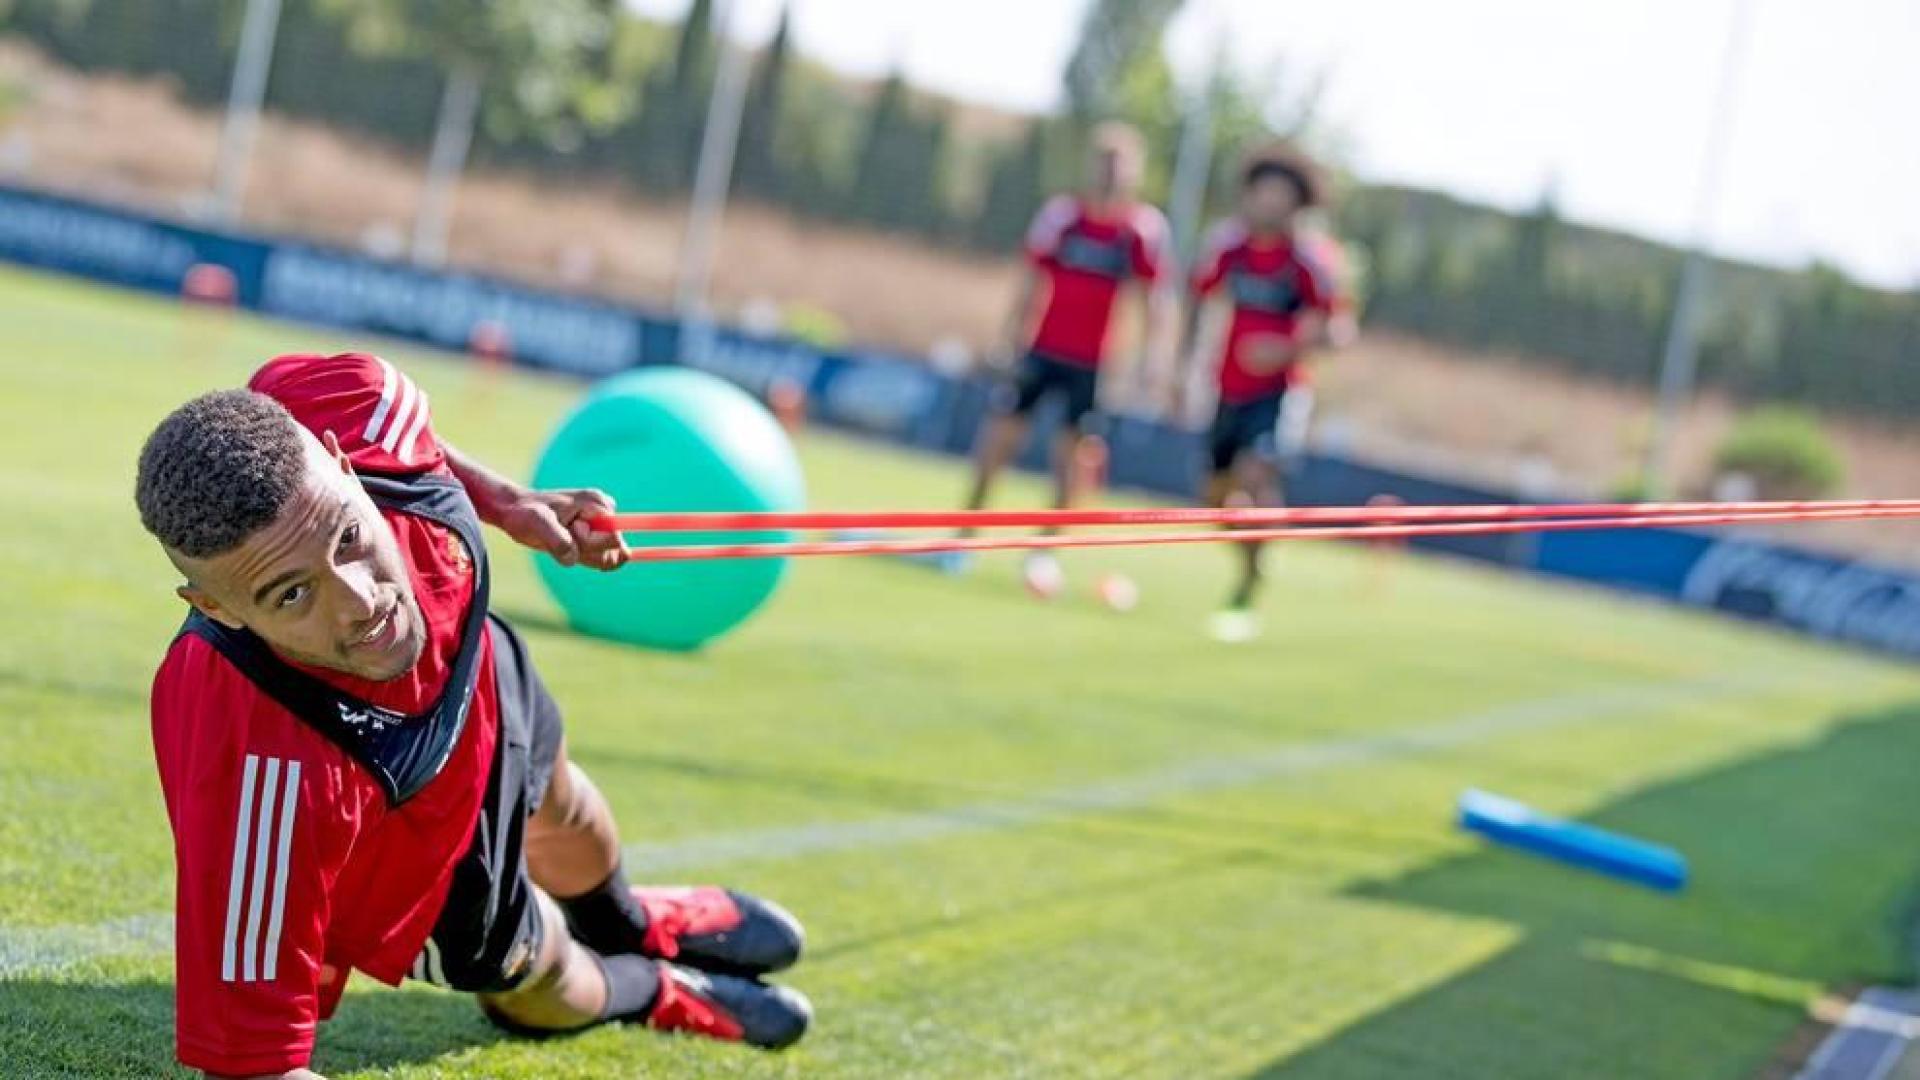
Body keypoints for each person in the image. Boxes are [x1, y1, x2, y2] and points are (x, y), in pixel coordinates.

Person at [135, 352, 812, 1079]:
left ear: (340, 459)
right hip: (410, 856)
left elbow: (398, 430)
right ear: (215, 607)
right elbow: (252, 1068)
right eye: (291, 596)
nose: (363, 602)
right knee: (548, 975)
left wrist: (504, 499)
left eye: (349, 538)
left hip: (472, 670)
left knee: (568, 807)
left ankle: (635, 923)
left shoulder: (357, 404)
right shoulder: (254, 762)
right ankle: (654, 988)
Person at [959, 122, 1175, 597]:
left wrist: (1152, 362)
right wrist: (1010, 340)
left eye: (1119, 166)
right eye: (1103, 164)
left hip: (1092, 363)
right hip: (1041, 351)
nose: (1109, 175)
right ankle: (963, 540)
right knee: (998, 441)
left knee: (1069, 462)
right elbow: (1030, 280)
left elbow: (1153, 301)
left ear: (1134, 173)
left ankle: (1043, 554)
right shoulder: (1063, 217)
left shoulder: (1140, 230)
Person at [1175, 145, 1347, 643]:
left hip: (1278, 394)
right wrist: (1182, 369)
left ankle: (1253, 575)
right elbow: (1198, 299)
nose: (1269, 204)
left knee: (1254, 477)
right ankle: (1254, 562)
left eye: (1281, 196)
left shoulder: (1308, 263)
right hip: (1226, 391)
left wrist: (1284, 347)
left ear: (1298, 205)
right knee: (1215, 499)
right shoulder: (1230, 249)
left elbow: (1337, 331)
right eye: (1262, 193)